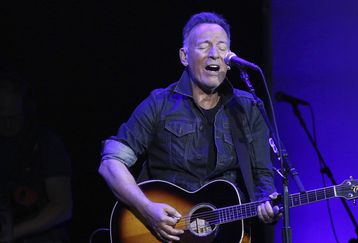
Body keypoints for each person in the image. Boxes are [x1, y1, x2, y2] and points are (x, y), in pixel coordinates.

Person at [99, 11, 280, 242]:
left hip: (227, 233)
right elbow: (111, 163)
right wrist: (146, 209)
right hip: (164, 232)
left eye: (222, 47)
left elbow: (261, 174)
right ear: (184, 56)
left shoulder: (248, 107)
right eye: (204, 46)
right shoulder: (159, 104)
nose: (215, 54)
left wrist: (267, 202)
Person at [0, 71, 73, 243]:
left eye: (13, 118)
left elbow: (62, 207)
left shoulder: (46, 142)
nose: (7, 125)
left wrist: (12, 233)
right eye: (1, 119)